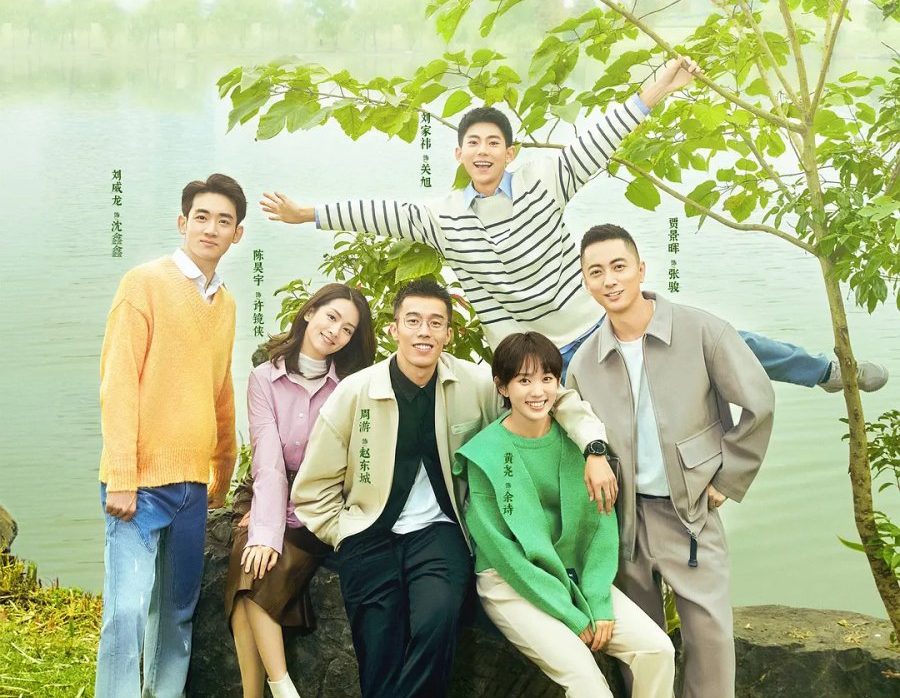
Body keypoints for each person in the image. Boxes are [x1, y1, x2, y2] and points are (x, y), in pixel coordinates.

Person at [258, 57, 887, 394]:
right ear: (459, 154)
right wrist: (302, 212)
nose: (483, 151)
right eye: (472, 143)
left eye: (494, 143)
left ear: (509, 152)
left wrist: (656, 90)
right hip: (535, 355)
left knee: (716, 339)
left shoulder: (544, 179)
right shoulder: (441, 217)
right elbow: (374, 214)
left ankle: (826, 371)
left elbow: (598, 138)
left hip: (600, 320)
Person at [290, 278, 614, 698]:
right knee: (378, 639)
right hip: (367, 532)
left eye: (435, 322)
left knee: (437, 620)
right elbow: (312, 489)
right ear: (394, 329)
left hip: (441, 532)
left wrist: (593, 448)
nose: (423, 332)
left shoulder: (474, 383)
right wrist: (343, 532)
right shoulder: (356, 393)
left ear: (449, 333)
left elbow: (551, 396)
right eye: (413, 321)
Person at [566, 224, 776, 698]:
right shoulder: (584, 361)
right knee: (642, 649)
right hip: (622, 520)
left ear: (641, 269)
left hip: (690, 512)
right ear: (586, 282)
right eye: (596, 272)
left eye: (619, 266)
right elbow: (575, 430)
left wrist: (729, 476)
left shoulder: (702, 332)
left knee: (711, 640)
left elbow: (758, 402)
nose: (609, 280)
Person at [455, 331, 674, 698]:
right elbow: (504, 555)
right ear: (502, 387)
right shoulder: (486, 454)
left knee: (657, 650)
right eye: (524, 381)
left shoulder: (579, 446)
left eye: (547, 379)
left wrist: (598, 603)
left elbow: (600, 529)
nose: (538, 391)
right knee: (587, 682)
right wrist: (571, 614)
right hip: (511, 584)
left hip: (575, 576)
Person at [95, 174, 246, 697]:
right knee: (127, 612)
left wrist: (222, 471)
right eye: (201, 217)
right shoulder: (143, 284)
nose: (210, 229)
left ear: (237, 235)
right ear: (183, 222)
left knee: (177, 612)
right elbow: (118, 382)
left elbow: (220, 389)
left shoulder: (225, 304)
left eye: (223, 221)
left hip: (192, 488)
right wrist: (121, 475)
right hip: (137, 485)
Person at [225, 283, 376, 698]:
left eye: (348, 329)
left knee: (250, 581)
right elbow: (269, 462)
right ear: (310, 312)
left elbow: (346, 466)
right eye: (331, 317)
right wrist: (266, 529)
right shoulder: (263, 378)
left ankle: (269, 691)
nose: (335, 332)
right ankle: (279, 687)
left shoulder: (349, 386)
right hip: (268, 490)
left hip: (321, 500)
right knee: (252, 558)